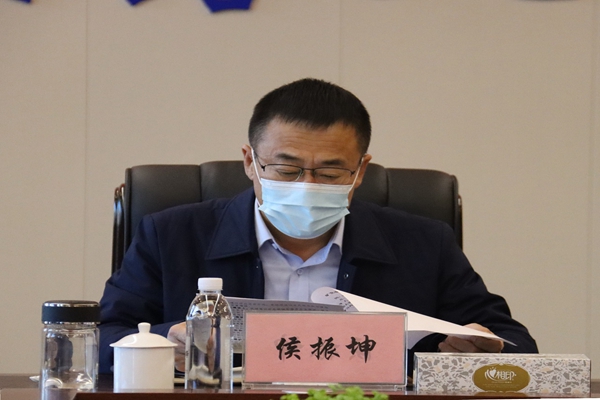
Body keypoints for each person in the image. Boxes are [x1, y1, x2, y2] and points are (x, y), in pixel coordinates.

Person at [98, 78, 538, 374]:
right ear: (249, 161)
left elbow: (516, 345)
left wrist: (481, 348)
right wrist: (164, 342)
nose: (306, 186)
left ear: (360, 171)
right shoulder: (171, 235)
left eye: (330, 173)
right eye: (286, 170)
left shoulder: (423, 243)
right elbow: (101, 339)